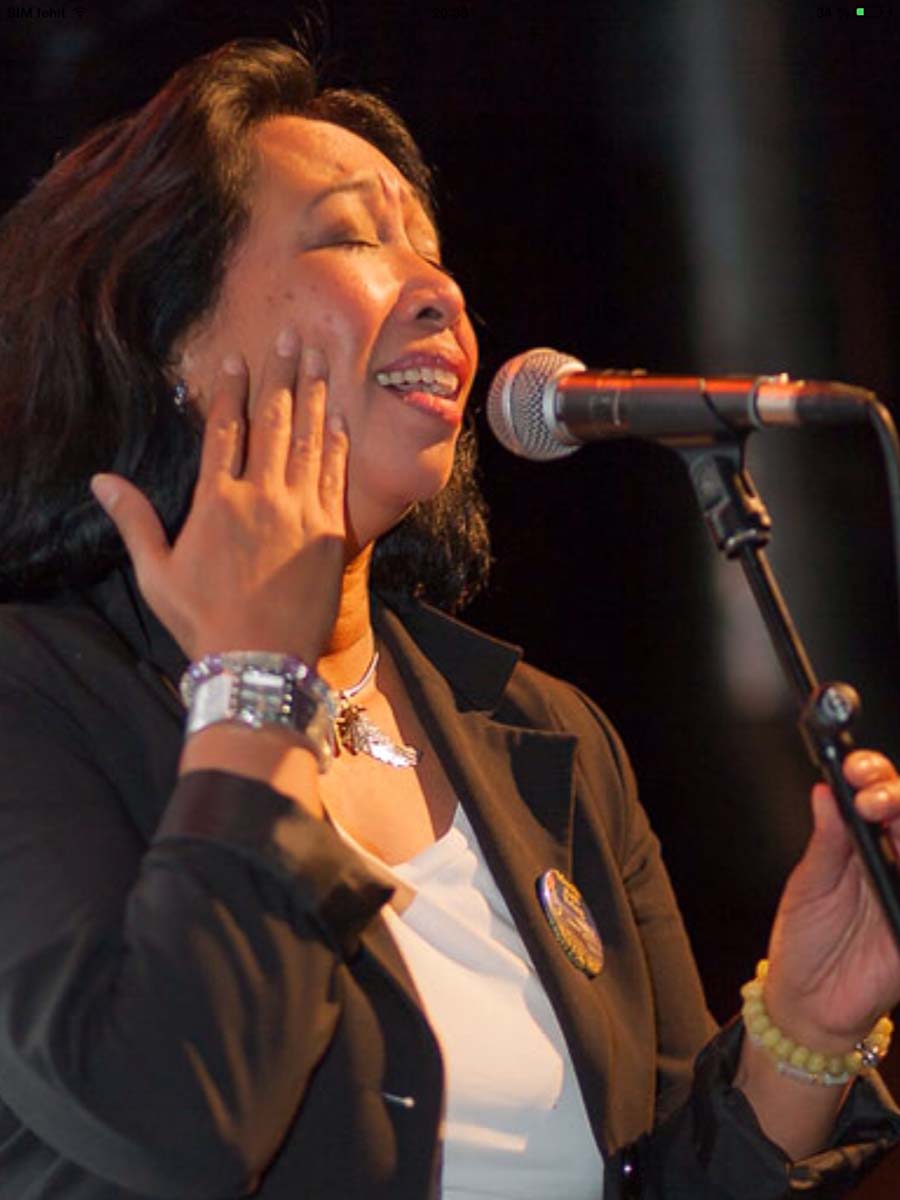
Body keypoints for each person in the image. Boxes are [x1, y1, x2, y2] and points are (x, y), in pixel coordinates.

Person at [0, 37, 898, 1200]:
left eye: (434, 252)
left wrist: (807, 1026)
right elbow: (177, 1116)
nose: (444, 292)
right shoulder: (36, 698)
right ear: (174, 339)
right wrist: (258, 684)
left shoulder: (547, 735)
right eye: (350, 237)